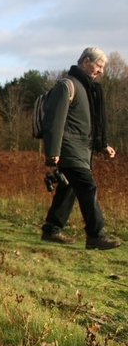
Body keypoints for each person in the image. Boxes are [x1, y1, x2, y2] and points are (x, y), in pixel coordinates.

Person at [41, 47, 121, 250]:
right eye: (99, 65)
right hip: (69, 148)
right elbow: (54, 122)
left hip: (81, 149)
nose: (101, 71)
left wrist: (102, 145)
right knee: (87, 186)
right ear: (86, 61)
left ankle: (51, 229)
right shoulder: (67, 86)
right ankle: (96, 235)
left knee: (68, 188)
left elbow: (88, 124)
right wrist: (53, 151)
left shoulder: (88, 89)